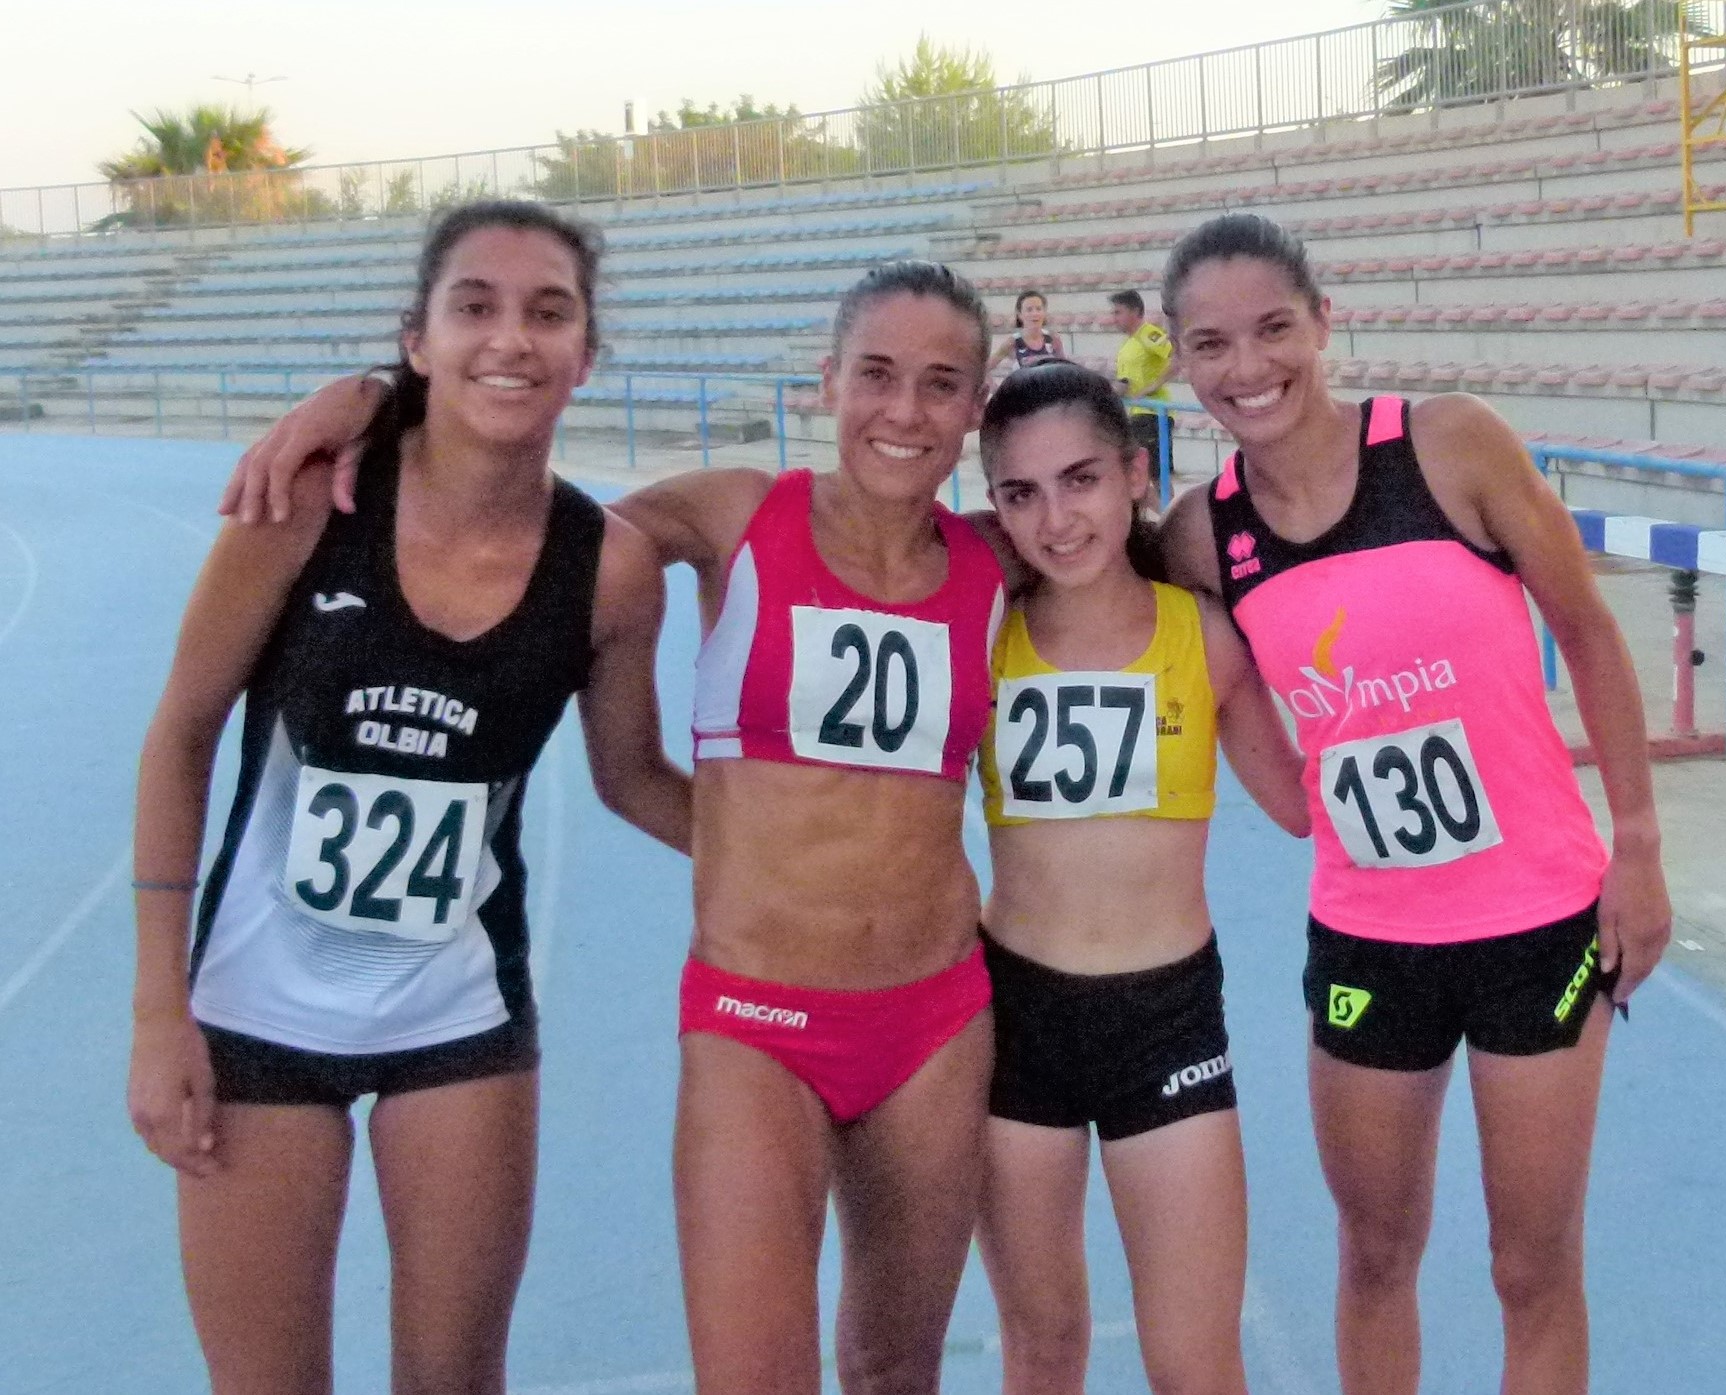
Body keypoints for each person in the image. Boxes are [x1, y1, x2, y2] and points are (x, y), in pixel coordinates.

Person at [215, 260, 1011, 1395]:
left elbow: (1144, 534)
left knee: (898, 1368)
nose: (905, 410)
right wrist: (375, 397)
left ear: (975, 404)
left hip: (936, 1019)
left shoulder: (997, 559)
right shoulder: (737, 514)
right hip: (758, 1018)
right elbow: (529, 532)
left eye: (941, 384)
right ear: (827, 381)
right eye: (876, 374)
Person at [130, 200, 691, 1395]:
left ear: (587, 354)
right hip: (254, 1017)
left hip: (458, 1021)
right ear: (418, 339)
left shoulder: (610, 572)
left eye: (549, 312)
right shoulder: (307, 507)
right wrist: (155, 1012)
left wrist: (816, 852)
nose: (511, 338)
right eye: (474, 306)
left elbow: (634, 778)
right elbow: (181, 736)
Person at [1157, 214, 1672, 1395]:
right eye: (1212, 345)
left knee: (1530, 1267)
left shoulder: (1449, 446)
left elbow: (1588, 632)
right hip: (1371, 939)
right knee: (1376, 1255)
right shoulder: (1203, 537)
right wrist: (1294, 776)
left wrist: (1638, 845)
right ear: (1179, 360)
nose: (1248, 368)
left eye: (1274, 329)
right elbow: (1255, 740)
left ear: (1323, 323)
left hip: (1538, 922)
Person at [972, 360, 1308, 1395]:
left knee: (1195, 1363)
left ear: (1133, 474)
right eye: (1021, 493)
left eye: (1079, 480)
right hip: (1013, 1019)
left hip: (1166, 1021)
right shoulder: (980, 637)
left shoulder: (1203, 637)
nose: (1055, 520)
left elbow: (1306, 806)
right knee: (1042, 1350)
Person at [1107, 289, 1177, 469]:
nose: (1114, 318)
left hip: (1153, 413)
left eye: (1118, 312)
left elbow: (1177, 356)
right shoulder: (1127, 344)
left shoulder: (1148, 334)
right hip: (1136, 412)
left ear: (1135, 311)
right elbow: (1126, 379)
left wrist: (1153, 386)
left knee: (1155, 472)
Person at [987, 289, 1065, 376]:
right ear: (1020, 315)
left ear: (1044, 313)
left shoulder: (1053, 339)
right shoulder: (1013, 342)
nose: (1035, 313)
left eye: (1038, 309)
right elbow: (987, 367)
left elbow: (1065, 368)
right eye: (1029, 310)